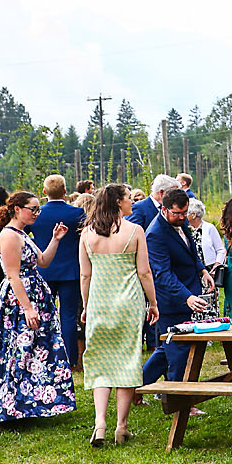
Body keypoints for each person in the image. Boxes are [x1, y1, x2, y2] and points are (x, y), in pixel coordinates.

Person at [0, 191, 76, 426]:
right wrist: (27, 308)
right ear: (17, 209)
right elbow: (13, 275)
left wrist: (55, 239)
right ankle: (7, 405)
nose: (36, 213)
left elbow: (43, 261)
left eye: (38, 209)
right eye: (32, 209)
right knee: (13, 350)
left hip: (33, 293)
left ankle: (27, 403)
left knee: (31, 351)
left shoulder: (22, 233)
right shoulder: (10, 236)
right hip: (17, 301)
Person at [79, 183, 158, 446]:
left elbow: (85, 275)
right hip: (128, 303)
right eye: (127, 198)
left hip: (100, 302)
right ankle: (121, 427)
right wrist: (153, 302)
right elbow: (144, 272)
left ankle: (100, 422)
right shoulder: (135, 231)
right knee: (126, 360)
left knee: (100, 361)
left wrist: (86, 305)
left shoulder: (87, 234)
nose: (132, 202)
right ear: (117, 202)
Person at [142, 188, 211, 386]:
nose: (182, 217)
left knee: (166, 349)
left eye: (185, 213)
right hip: (172, 300)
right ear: (164, 209)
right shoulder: (155, 234)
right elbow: (163, 274)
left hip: (189, 293)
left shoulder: (181, 223)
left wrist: (202, 270)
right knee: (180, 352)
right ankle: (180, 401)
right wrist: (186, 297)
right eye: (177, 213)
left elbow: (190, 251)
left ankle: (137, 387)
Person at [32, 174, 86, 369]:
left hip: (44, 270)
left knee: (43, 314)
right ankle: (70, 358)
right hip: (71, 270)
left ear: (44, 192)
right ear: (65, 191)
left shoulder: (36, 215)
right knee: (69, 316)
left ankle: (44, 356)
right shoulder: (77, 213)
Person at [189, 199, 225, 312]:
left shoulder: (209, 228)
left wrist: (216, 265)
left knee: (208, 304)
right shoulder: (185, 230)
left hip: (209, 271)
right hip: (192, 271)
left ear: (193, 215)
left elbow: (220, 250)